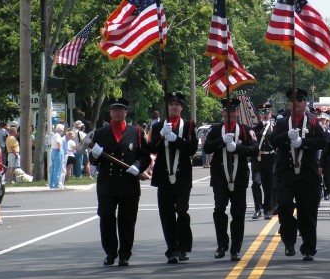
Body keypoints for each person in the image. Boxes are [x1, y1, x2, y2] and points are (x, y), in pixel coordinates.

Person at [139, 91, 198, 263]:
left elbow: (192, 150)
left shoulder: (189, 126)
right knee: (166, 215)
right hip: (164, 177)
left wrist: (176, 139)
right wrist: (161, 136)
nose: (173, 106)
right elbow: (152, 149)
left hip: (182, 177)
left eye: (176, 104)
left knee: (181, 210)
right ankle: (172, 249)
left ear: (181, 107)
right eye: (171, 104)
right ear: (167, 107)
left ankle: (184, 246)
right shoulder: (158, 127)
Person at [89, 98, 148, 266]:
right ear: (110, 113)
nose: (117, 112)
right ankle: (110, 252)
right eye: (114, 109)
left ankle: (124, 254)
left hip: (129, 184)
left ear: (125, 112)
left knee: (127, 221)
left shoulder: (135, 132)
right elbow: (93, 161)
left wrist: (138, 166)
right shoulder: (100, 133)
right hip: (107, 184)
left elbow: (144, 155)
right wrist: (95, 154)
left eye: (120, 109)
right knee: (106, 217)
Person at [271, 88, 326, 261]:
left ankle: (309, 248)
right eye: (293, 100)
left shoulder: (313, 122)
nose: (296, 103)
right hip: (286, 174)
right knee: (285, 206)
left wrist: (304, 142)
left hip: (307, 175)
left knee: (308, 213)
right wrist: (286, 136)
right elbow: (272, 140)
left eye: (300, 100)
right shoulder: (281, 123)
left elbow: (322, 142)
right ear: (288, 103)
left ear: (305, 103)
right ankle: (289, 241)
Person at [204, 97, 258, 261]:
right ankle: (222, 245)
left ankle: (236, 248)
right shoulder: (215, 129)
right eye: (227, 110)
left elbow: (254, 149)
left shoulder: (245, 130)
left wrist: (238, 148)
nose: (230, 113)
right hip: (220, 178)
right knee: (219, 210)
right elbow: (207, 147)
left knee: (238, 213)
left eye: (233, 110)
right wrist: (221, 141)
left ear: (237, 112)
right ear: (223, 112)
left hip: (239, 178)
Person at [250, 102, 277, 220]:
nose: (265, 114)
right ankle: (257, 209)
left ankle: (268, 210)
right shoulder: (256, 128)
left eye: (267, 112)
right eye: (262, 112)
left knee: (268, 185)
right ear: (259, 114)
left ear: (270, 113)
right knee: (256, 183)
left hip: (270, 159)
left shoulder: (274, 127)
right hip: (257, 158)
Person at [49, 124, 65, 189]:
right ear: (61, 130)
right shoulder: (58, 136)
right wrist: (59, 148)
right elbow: (58, 142)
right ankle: (56, 184)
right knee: (57, 169)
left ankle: (52, 184)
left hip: (53, 151)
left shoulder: (54, 135)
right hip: (58, 151)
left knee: (53, 168)